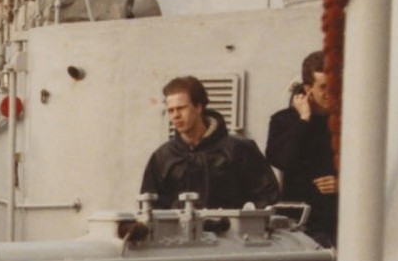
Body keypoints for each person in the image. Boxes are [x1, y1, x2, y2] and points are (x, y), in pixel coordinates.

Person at [140, 75, 279, 210]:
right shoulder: (162, 157)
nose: (175, 115)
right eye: (171, 110)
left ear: (199, 107)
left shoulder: (239, 149)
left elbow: (267, 198)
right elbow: (148, 207)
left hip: (231, 233)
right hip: (177, 233)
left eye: (181, 108)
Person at [266, 51, 338, 246]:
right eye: (323, 87)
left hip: (339, 220)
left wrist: (343, 184)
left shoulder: (347, 121)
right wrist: (303, 120)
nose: (330, 92)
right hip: (301, 224)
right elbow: (281, 160)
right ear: (308, 89)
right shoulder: (284, 120)